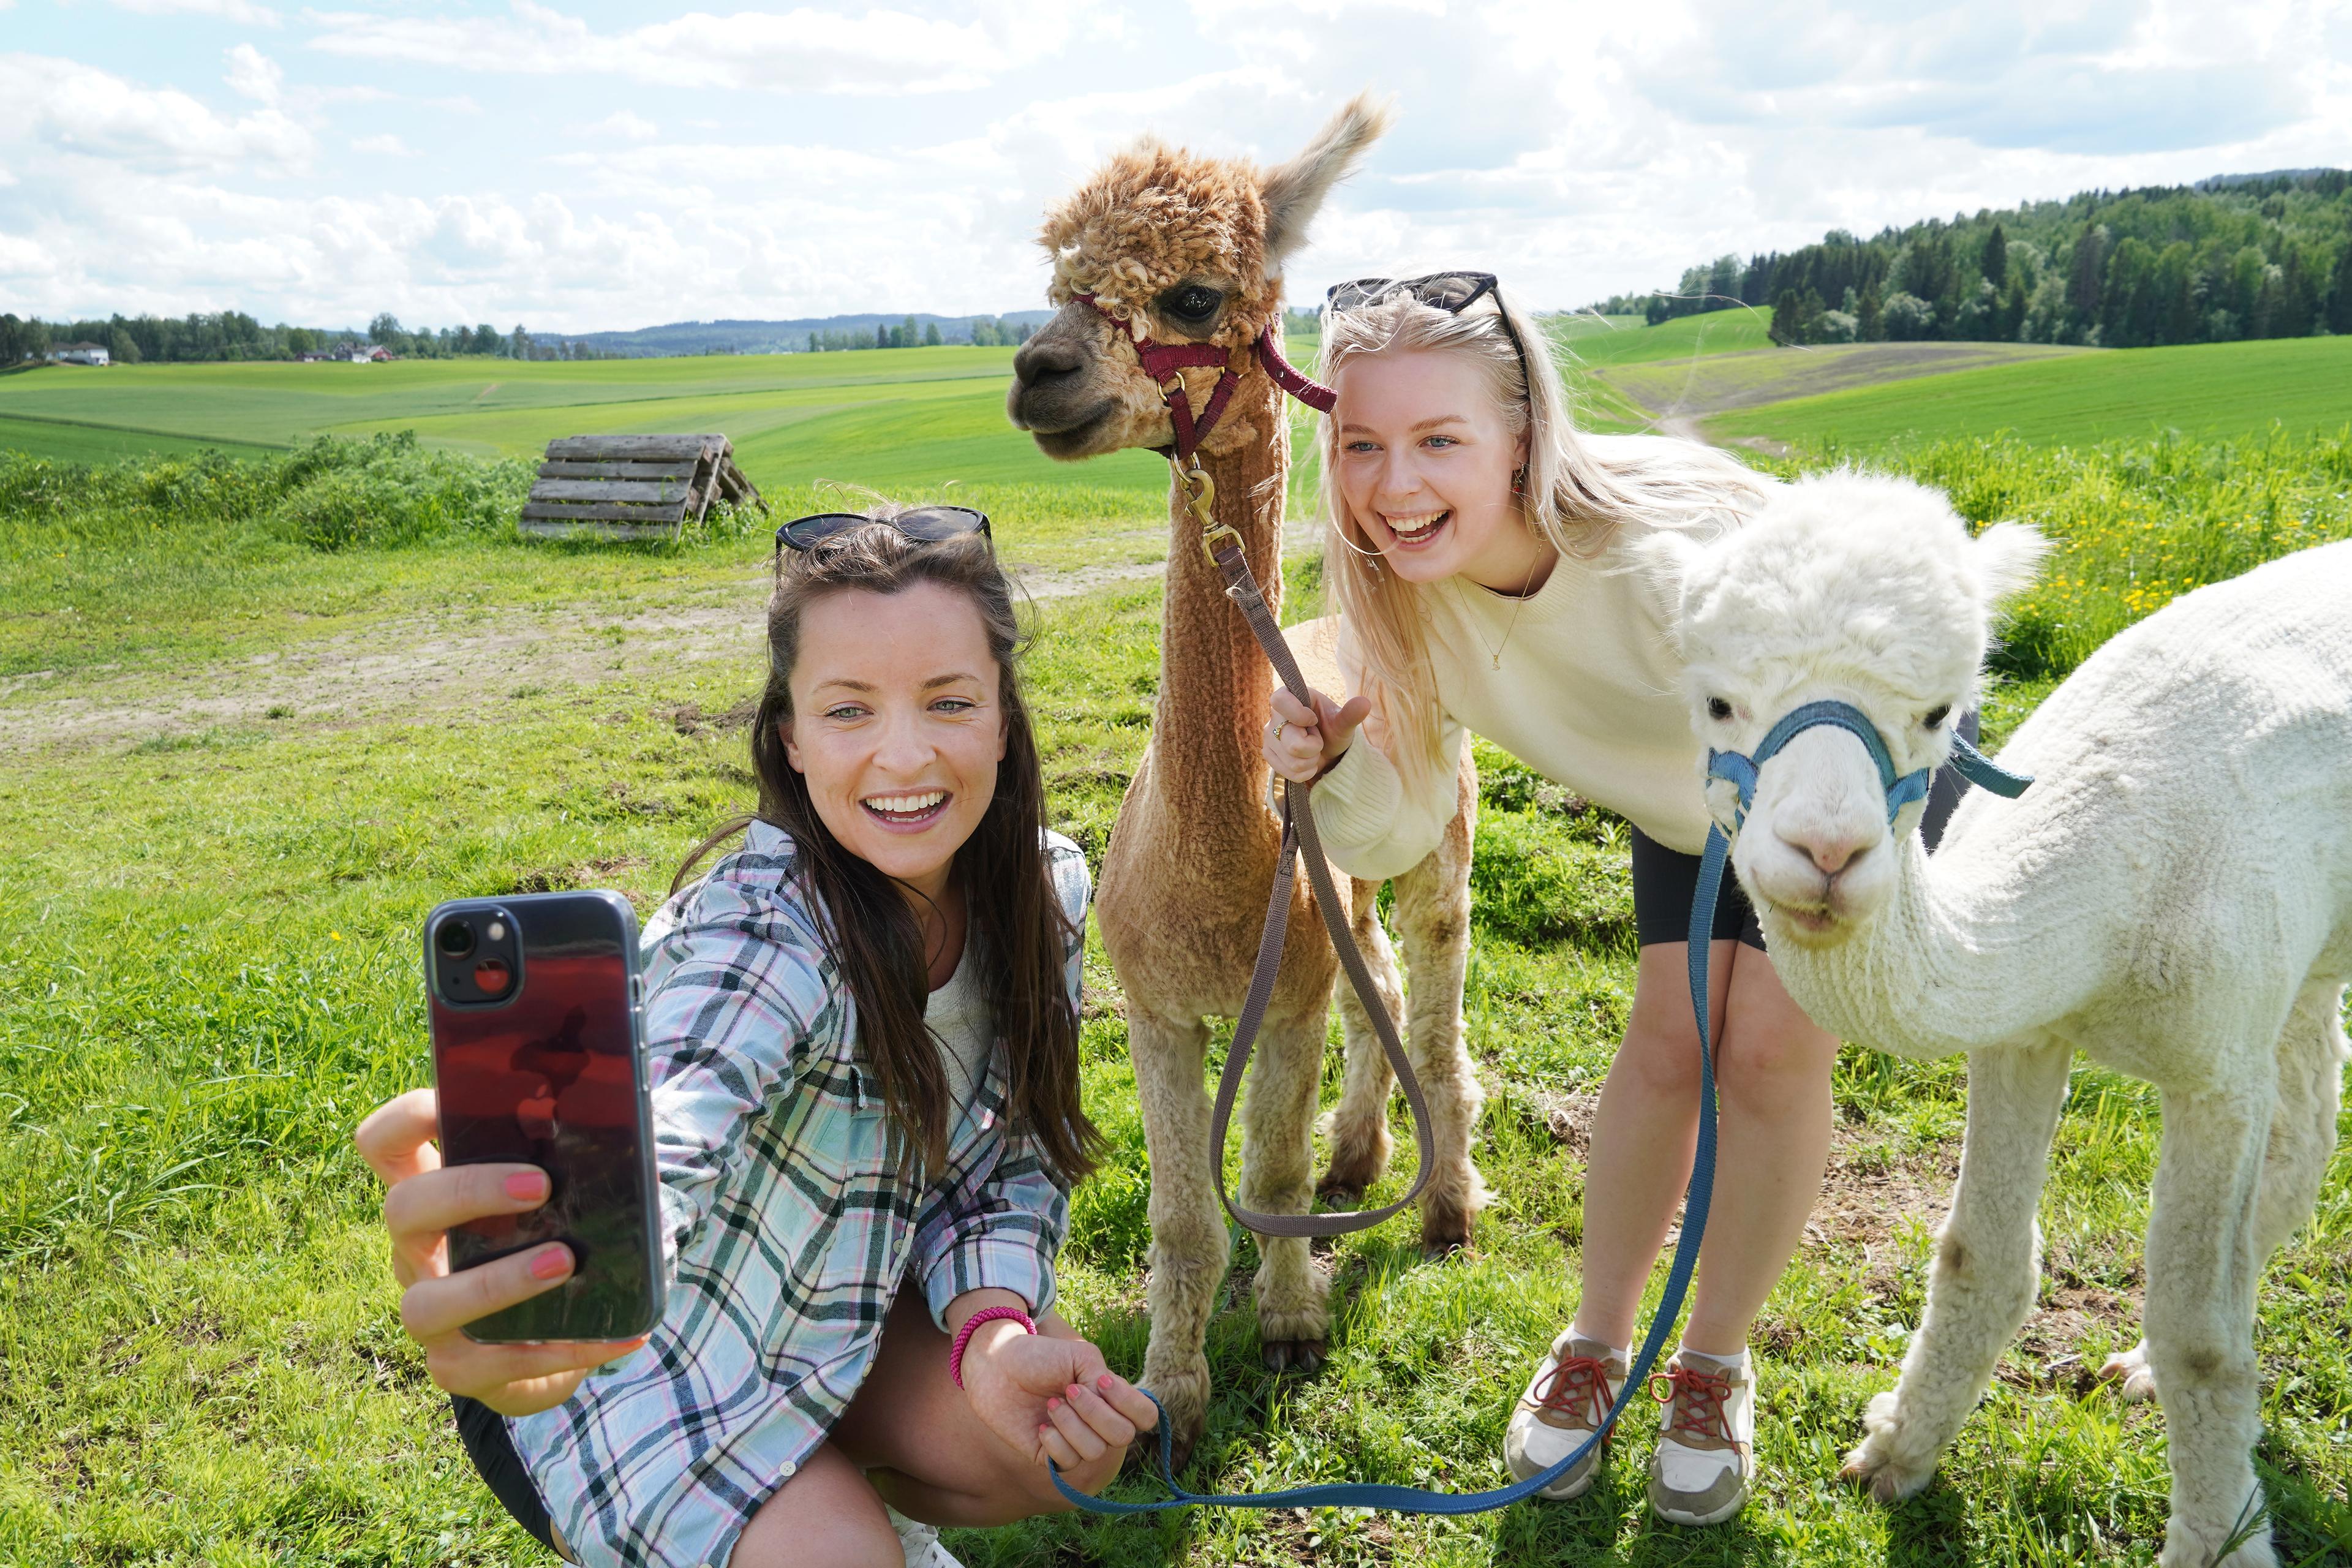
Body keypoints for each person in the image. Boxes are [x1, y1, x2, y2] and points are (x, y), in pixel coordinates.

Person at [1261, 276, 1975, 1528]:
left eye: (1440, 440)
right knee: (1664, 1044)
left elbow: (1863, 683)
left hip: (1835, 783)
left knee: (1761, 1047)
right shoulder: (1395, 602)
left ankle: (1711, 1364)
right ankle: (1594, 1344)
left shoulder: (1665, 566)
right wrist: (1326, 770)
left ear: (1524, 437)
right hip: (1681, 803)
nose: (1395, 481)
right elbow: (1399, 827)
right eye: (1363, 444)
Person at [356, 507, 1159, 1568]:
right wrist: (587, 1263)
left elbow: (1006, 1165)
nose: (904, 754)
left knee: (1053, 1453)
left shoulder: (1044, 888)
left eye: (950, 701)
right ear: (789, 734)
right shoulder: (763, 926)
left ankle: (825, 1493)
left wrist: (992, 1329)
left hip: (841, 1316)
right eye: (848, 710)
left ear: (1005, 719)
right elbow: (683, 1102)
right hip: (642, 1359)